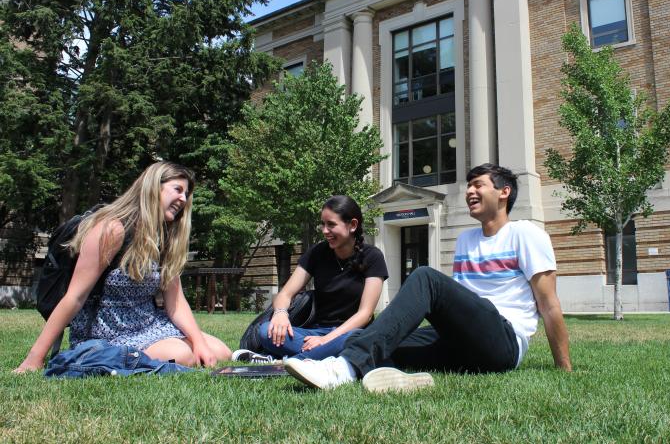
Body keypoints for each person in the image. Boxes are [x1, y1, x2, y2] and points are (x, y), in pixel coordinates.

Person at [284, 163, 572, 392]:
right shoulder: (467, 240)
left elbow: (549, 305)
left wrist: (564, 368)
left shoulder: (525, 234)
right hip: (462, 343)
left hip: (503, 343)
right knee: (367, 337)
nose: (470, 191)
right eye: (468, 184)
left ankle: (341, 370)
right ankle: (397, 379)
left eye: (478, 184)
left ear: (504, 192)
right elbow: (458, 307)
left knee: (426, 277)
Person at [14, 162, 232, 373]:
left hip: (149, 326)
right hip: (108, 333)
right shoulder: (113, 230)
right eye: (178, 190)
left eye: (186, 194)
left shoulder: (164, 238)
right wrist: (35, 358)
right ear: (154, 188)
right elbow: (75, 297)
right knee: (186, 356)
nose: (183, 199)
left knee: (221, 352)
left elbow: (175, 302)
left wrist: (198, 341)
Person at [242, 195, 387, 361]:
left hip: (350, 332)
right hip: (314, 333)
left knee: (351, 340)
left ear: (353, 225)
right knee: (265, 330)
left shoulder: (372, 257)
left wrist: (326, 340)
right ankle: (319, 358)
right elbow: (285, 294)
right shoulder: (317, 253)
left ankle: (294, 359)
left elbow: (365, 314)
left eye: (331, 225)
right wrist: (280, 314)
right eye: (323, 224)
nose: (325, 231)